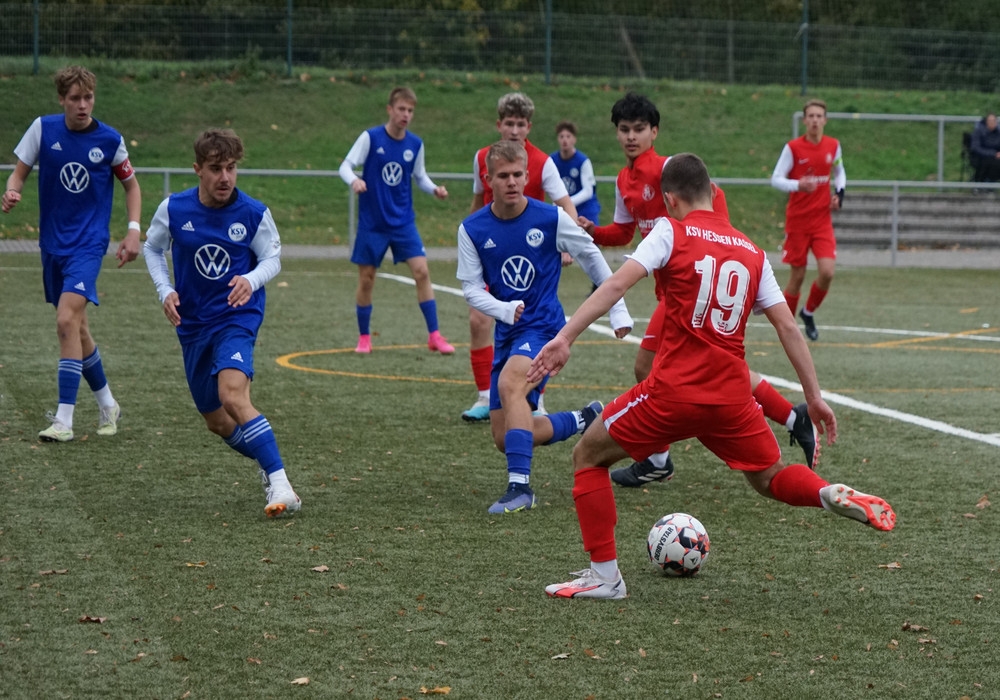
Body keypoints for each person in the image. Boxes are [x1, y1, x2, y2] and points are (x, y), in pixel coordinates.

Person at [530, 153, 896, 600]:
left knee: (588, 456)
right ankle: (825, 492)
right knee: (770, 478)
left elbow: (615, 285)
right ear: (712, 192)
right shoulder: (752, 252)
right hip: (732, 400)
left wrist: (564, 337)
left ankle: (605, 577)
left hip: (673, 394)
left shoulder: (670, 230)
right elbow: (787, 327)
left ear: (669, 199)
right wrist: (814, 397)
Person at [580, 92, 818, 486]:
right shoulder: (624, 180)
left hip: (691, 288)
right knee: (718, 367)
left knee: (650, 366)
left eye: (639, 129)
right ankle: (793, 417)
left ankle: (657, 458)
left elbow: (712, 200)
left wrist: (717, 253)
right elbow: (623, 232)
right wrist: (594, 232)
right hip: (671, 290)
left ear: (655, 132)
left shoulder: (669, 169)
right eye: (624, 130)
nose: (631, 137)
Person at [457, 141, 633, 515]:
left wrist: (618, 310)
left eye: (517, 175)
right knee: (505, 438)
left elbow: (590, 255)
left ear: (527, 176)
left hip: (545, 329)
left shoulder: (551, 218)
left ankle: (520, 489)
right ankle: (585, 418)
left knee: (510, 384)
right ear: (488, 180)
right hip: (509, 332)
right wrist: (503, 309)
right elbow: (470, 288)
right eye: (502, 176)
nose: (511, 182)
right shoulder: (472, 228)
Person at [143, 128, 300, 518]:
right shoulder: (174, 209)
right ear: (198, 169)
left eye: (231, 168)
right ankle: (268, 464)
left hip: (236, 317)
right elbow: (152, 247)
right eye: (216, 169)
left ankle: (281, 484)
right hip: (193, 324)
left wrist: (251, 279)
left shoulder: (253, 213)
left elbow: (272, 260)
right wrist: (165, 289)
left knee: (232, 395)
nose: (225, 177)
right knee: (216, 420)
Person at [2, 65, 141, 443]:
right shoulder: (43, 129)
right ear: (62, 99)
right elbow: (19, 173)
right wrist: (12, 191)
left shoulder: (110, 140)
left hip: (88, 245)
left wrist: (133, 230)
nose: (83, 105)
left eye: (88, 97)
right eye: (75, 98)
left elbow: (131, 187)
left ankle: (64, 420)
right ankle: (108, 403)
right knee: (77, 328)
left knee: (65, 319)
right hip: (52, 245)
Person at [462, 92, 580, 423]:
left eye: (520, 125)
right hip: (492, 254)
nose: (514, 131)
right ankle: (484, 395)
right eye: (509, 124)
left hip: (532, 260)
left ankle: (536, 397)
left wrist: (567, 245)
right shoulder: (483, 158)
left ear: (529, 127)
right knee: (478, 320)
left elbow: (566, 206)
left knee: (535, 324)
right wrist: (468, 240)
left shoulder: (543, 162)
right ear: (499, 125)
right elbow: (477, 203)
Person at [338, 86, 455, 355]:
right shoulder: (371, 138)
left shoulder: (415, 144)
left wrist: (434, 189)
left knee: (422, 272)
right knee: (367, 279)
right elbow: (345, 166)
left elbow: (420, 177)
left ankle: (435, 336)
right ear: (390, 109)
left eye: (410, 110)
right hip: (373, 223)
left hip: (403, 222)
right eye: (401, 109)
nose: (406, 115)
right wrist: (354, 180)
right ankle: (364, 337)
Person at [771, 98, 846, 342]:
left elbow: (839, 171)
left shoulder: (833, 145)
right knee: (798, 276)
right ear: (804, 120)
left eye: (819, 116)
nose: (815, 120)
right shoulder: (793, 148)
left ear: (825, 120)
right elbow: (776, 179)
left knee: (827, 272)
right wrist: (798, 185)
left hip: (822, 221)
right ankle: (787, 328)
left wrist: (839, 194)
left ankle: (808, 312)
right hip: (798, 222)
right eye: (811, 116)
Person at [551, 121, 601, 225]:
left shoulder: (583, 161)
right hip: (564, 211)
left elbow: (588, 191)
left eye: (568, 136)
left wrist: (566, 202)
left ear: (574, 139)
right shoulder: (552, 160)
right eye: (561, 136)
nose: (565, 140)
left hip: (585, 211)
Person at [970, 112, 1000, 183]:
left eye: (994, 121)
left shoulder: (998, 133)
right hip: (981, 157)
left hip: (996, 157)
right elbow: (975, 147)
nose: (992, 123)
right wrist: (993, 154)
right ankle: (984, 183)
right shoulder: (979, 131)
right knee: (992, 163)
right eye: (990, 121)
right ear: (986, 122)